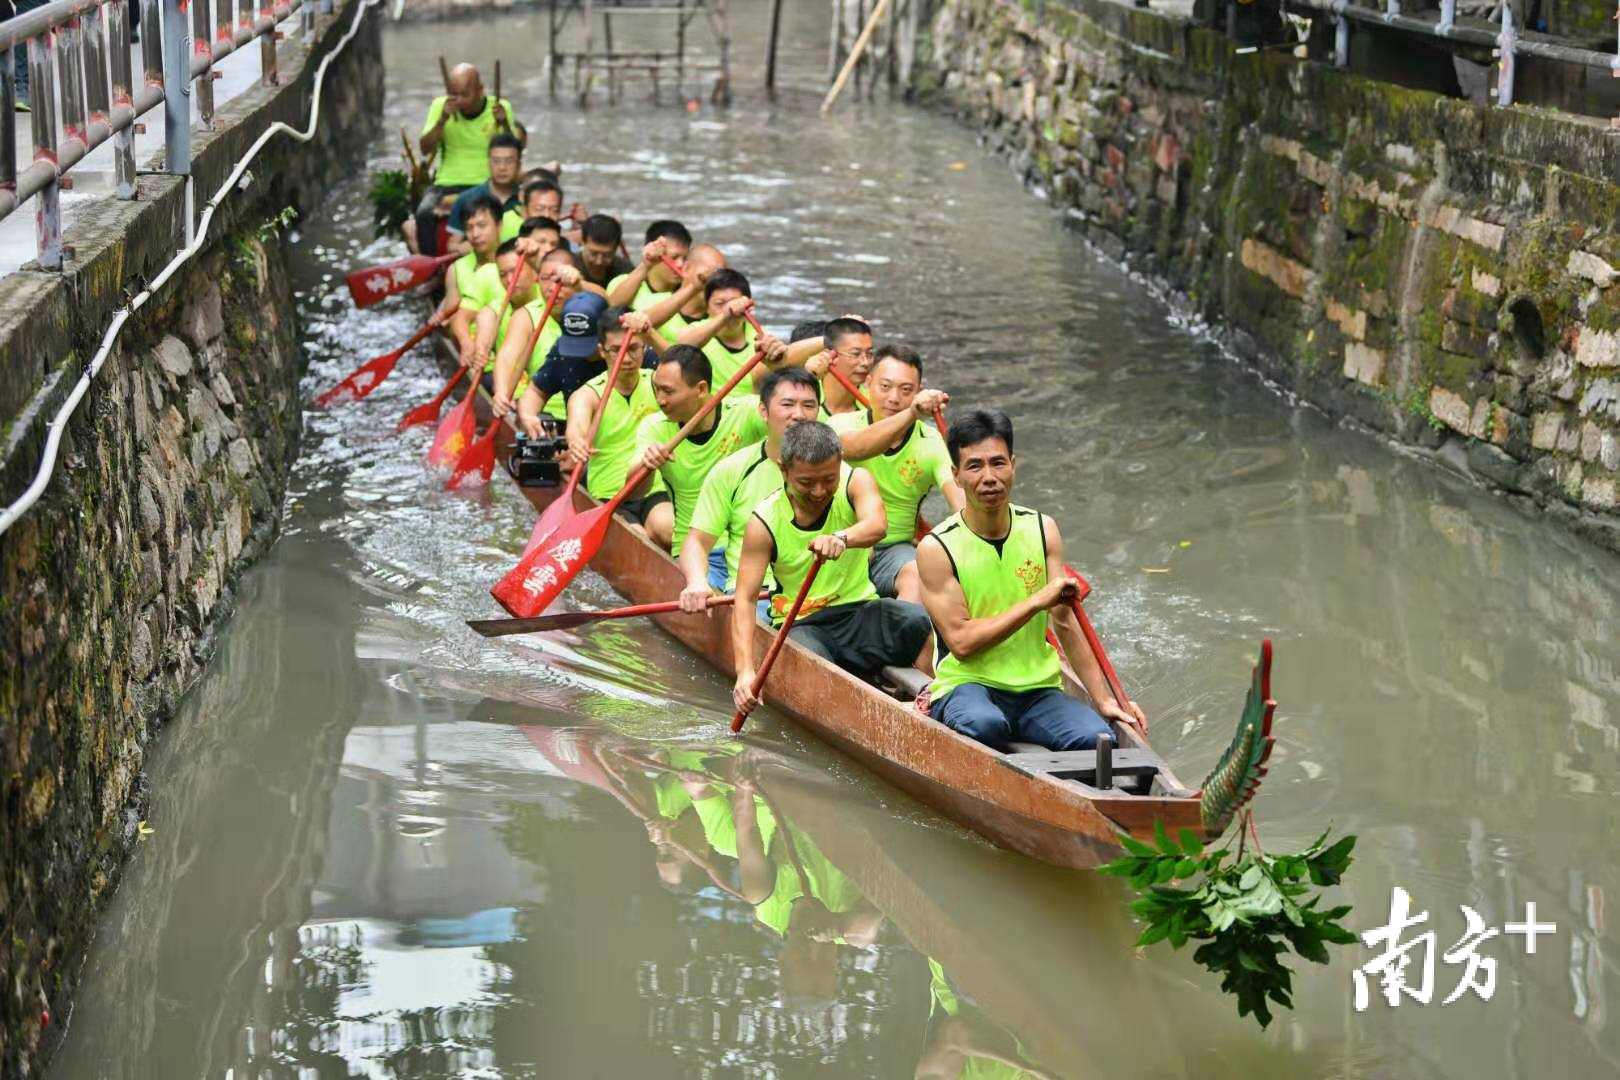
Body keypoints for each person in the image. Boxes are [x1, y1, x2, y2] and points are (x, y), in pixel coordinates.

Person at [916, 409, 1147, 752]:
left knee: (1098, 739)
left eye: (998, 463)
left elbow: (1065, 622)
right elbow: (962, 643)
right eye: (975, 466)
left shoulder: (1042, 529)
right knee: (985, 725)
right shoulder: (937, 547)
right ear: (957, 475)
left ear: (1013, 464)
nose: (989, 477)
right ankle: (939, 708)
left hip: (1036, 690)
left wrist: (1104, 700)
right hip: (968, 684)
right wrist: (1037, 601)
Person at [730, 422, 934, 720]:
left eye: (829, 479)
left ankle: (921, 706)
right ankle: (840, 714)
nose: (819, 491)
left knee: (916, 621)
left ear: (840, 460)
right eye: (806, 483)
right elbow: (745, 600)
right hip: (803, 624)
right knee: (814, 662)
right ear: (783, 470)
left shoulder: (856, 480)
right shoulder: (764, 522)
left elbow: (877, 525)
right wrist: (745, 671)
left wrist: (841, 538)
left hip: (859, 611)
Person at [828, 345, 962, 603]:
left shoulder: (931, 441)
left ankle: (902, 636)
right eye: (885, 387)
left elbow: (962, 505)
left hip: (894, 550)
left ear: (919, 392)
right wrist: (912, 413)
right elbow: (857, 448)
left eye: (906, 390)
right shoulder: (840, 425)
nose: (894, 398)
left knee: (918, 575)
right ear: (868, 384)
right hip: (838, 543)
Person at [678, 367, 822, 604]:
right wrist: (697, 582)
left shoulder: (836, 470)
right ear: (763, 411)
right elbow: (696, 542)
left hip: (822, 595)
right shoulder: (731, 470)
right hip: (756, 594)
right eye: (787, 405)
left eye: (808, 405)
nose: (798, 415)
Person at [630, 345, 779, 551]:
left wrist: (782, 360)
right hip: (695, 551)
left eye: (668, 391)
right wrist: (647, 464)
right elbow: (633, 492)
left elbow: (797, 421)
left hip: (751, 548)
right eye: (656, 389)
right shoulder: (655, 426)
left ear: (701, 389)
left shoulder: (744, 412)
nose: (660, 400)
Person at [560, 306, 671, 526]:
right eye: (616, 350)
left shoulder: (658, 382)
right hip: (609, 495)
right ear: (602, 351)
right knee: (637, 535)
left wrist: (650, 332)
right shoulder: (588, 395)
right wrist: (577, 443)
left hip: (655, 491)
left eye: (634, 348)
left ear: (644, 347)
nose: (627, 359)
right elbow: (576, 428)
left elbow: (684, 366)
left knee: (667, 528)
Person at [405, 63, 521, 255]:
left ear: (480, 90)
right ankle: (433, 270)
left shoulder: (500, 106)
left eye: (464, 95)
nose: (458, 100)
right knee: (423, 213)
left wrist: (504, 124)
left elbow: (515, 149)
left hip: (487, 183)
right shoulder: (440, 106)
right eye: (454, 94)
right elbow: (425, 149)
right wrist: (442, 119)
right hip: (447, 182)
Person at [494, 247, 587, 418]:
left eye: (560, 280)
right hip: (543, 414)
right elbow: (507, 357)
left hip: (590, 414)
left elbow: (607, 300)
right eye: (545, 279)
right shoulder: (526, 316)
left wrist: (581, 284)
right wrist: (501, 392)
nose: (552, 288)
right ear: (537, 280)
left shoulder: (592, 310)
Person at [509, 291, 607, 429]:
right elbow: (536, 391)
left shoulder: (629, 352)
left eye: (586, 343)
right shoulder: (563, 352)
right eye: (574, 343)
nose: (579, 352)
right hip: (576, 436)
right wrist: (529, 416)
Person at [436, 193, 504, 372]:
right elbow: (452, 328)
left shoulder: (515, 263)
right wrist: (467, 342)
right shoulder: (456, 270)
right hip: (477, 358)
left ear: (499, 226)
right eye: (469, 228)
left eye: (482, 226)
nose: (475, 234)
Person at [445, 132, 523, 250]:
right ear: (488, 164)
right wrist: (463, 247)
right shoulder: (466, 199)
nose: (502, 167)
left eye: (509, 161)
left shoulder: (527, 200)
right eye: (496, 161)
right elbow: (451, 246)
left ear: (519, 165)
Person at [606, 220, 692, 308]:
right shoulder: (621, 282)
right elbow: (612, 306)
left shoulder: (691, 294)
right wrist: (646, 264)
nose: (681, 264)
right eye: (674, 257)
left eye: (685, 258)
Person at [817, 317, 875, 418]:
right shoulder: (805, 398)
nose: (865, 363)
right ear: (831, 355)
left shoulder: (875, 405)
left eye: (869, 353)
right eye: (856, 354)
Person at [580, 214, 635, 287]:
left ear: (616, 248)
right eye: (593, 254)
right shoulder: (569, 264)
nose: (599, 261)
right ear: (583, 243)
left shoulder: (625, 270)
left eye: (606, 255)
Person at [503, 176, 563, 240]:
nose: (547, 215)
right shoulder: (504, 227)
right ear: (524, 209)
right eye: (539, 209)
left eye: (555, 210)